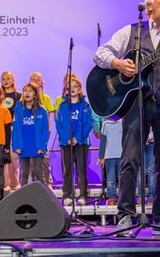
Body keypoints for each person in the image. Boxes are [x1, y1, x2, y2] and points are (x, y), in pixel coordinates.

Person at [93, 0, 160, 236]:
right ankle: (126, 215)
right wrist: (117, 63)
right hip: (137, 102)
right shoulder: (132, 32)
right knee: (130, 159)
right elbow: (100, 53)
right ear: (149, 6)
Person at [55, 76, 93, 206]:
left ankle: (83, 195)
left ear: (80, 89)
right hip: (66, 143)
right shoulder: (63, 106)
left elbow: (88, 123)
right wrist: (67, 139)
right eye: (69, 87)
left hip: (81, 142)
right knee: (67, 170)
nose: (72, 89)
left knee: (81, 170)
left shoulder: (85, 105)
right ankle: (67, 195)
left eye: (75, 86)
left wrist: (77, 138)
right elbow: (59, 124)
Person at [12, 82, 49, 186]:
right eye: (25, 91)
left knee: (38, 172)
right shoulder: (18, 109)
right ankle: (24, 199)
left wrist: (42, 146)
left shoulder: (42, 111)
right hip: (23, 146)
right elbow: (15, 130)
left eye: (30, 91)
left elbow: (45, 131)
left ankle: (43, 197)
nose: (27, 93)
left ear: (35, 94)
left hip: (37, 146)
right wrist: (16, 146)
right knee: (24, 174)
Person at [29, 72, 55, 188]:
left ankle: (48, 182)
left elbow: (49, 118)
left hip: (42, 133)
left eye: (37, 79)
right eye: (33, 79)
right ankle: (31, 184)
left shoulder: (46, 98)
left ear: (41, 82)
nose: (35, 81)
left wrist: (48, 131)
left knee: (43, 157)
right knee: (29, 159)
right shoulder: (25, 97)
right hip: (29, 133)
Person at [0, 71, 21, 192]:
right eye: (3, 79)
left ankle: (15, 182)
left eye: (8, 78)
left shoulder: (18, 95)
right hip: (2, 129)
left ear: (13, 80)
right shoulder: (0, 96)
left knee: (14, 157)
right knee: (3, 157)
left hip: (14, 128)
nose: (6, 81)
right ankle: (5, 183)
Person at [98, 118, 122, 205]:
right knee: (110, 179)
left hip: (122, 155)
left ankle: (122, 196)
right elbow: (103, 141)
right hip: (109, 156)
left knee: (122, 178)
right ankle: (111, 197)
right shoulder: (105, 124)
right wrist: (101, 156)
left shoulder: (123, 122)